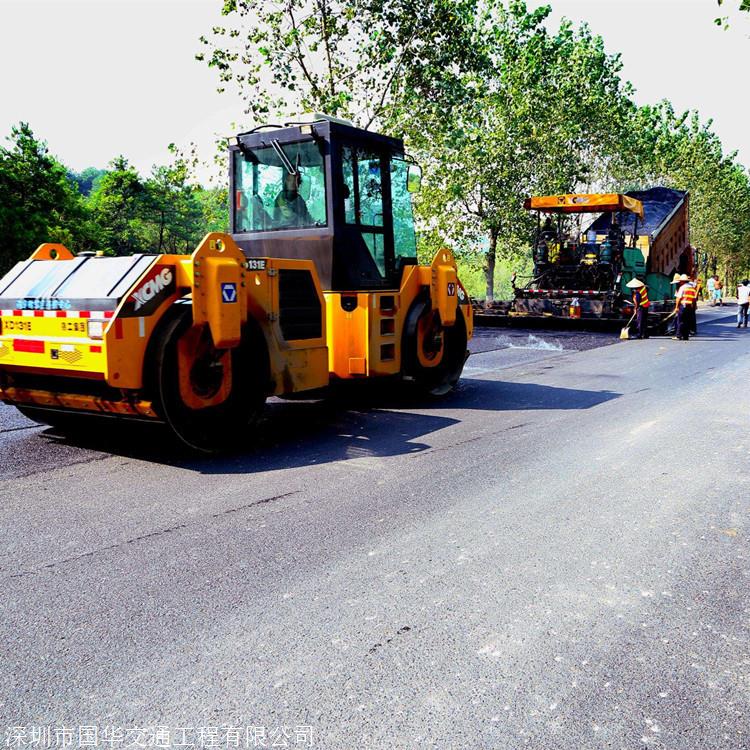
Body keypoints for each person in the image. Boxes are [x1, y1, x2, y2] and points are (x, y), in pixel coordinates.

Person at [673, 273, 697, 340]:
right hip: (690, 307)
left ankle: (678, 335)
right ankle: (685, 336)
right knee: (687, 321)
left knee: (680, 321)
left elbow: (678, 298)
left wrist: (676, 307)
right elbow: (694, 299)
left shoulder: (682, 287)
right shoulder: (692, 288)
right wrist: (694, 307)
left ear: (683, 281)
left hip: (683, 306)